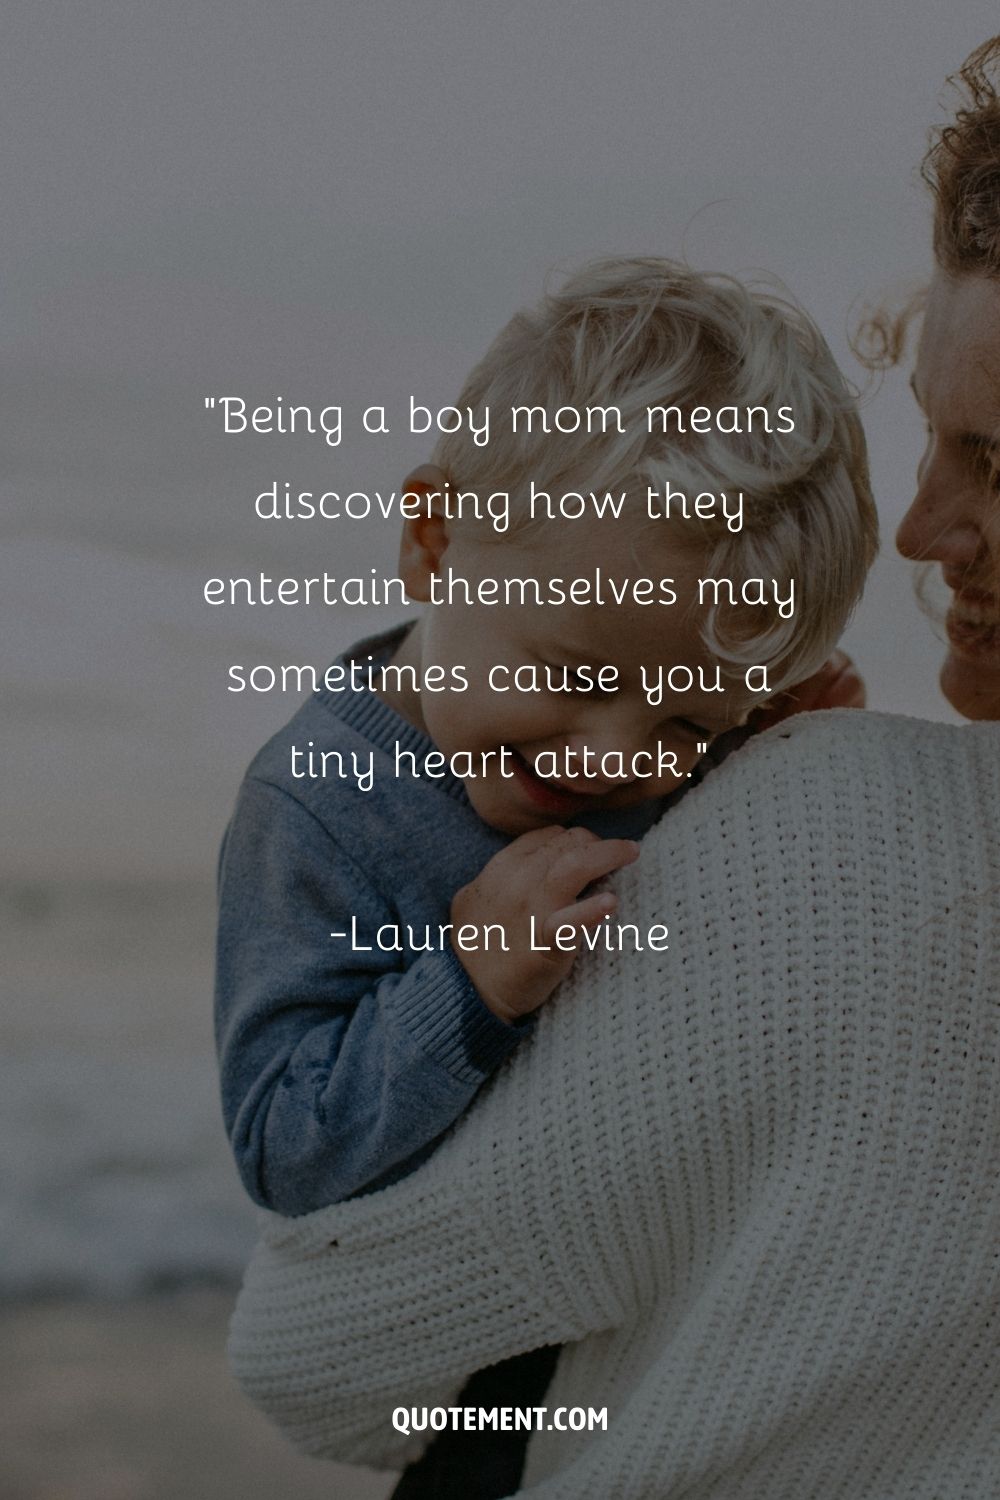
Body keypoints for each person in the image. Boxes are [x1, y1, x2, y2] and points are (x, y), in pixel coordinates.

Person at [226, 36, 1000, 1500]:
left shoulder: (837, 834)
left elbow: (315, 1370)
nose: (924, 528)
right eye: (939, 441)